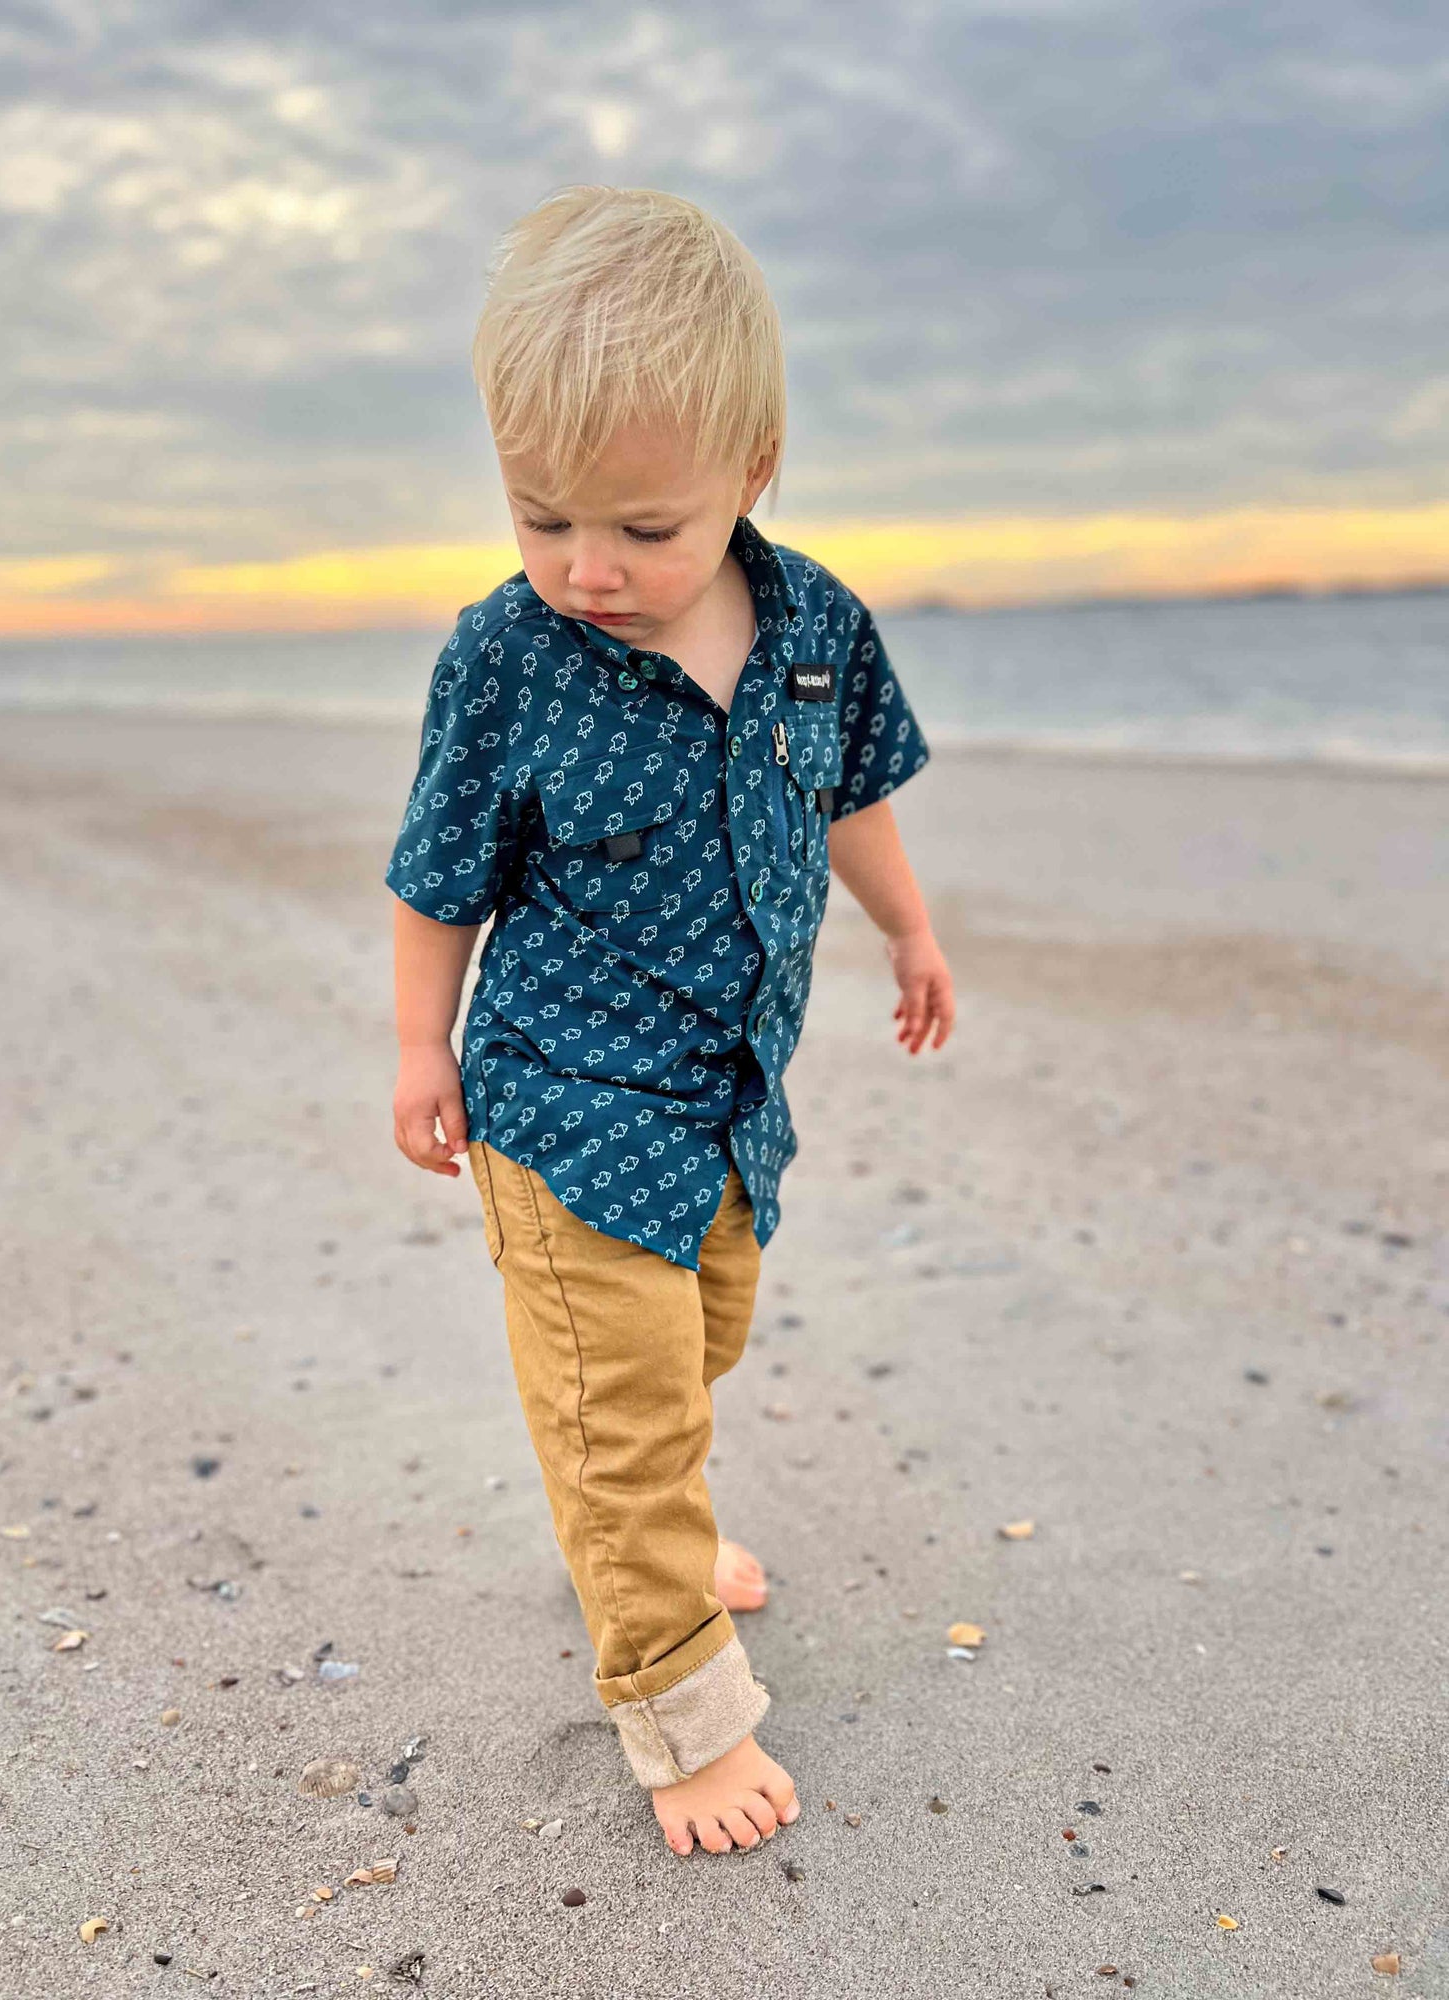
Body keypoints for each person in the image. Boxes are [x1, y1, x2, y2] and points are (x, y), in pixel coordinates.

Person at [386, 185, 955, 1859]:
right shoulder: (508, 658)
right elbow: (439, 874)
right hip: (561, 1101)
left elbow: (852, 795)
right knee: (621, 1404)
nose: (587, 565)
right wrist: (421, 1046)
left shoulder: (815, 634)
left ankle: (660, 1525)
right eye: (540, 513)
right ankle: (681, 1707)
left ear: (752, 469)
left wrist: (910, 929)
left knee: (696, 1341)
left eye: (643, 526)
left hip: (722, 1104)